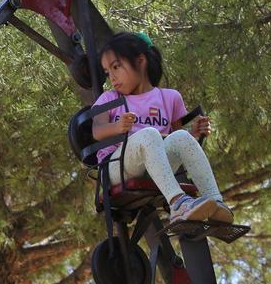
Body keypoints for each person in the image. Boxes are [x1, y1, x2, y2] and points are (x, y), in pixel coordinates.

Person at [90, 32, 233, 225]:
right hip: (118, 167)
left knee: (181, 136)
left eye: (116, 67)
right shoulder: (111, 98)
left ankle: (215, 202)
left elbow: (173, 139)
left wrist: (193, 134)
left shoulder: (170, 98)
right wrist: (117, 126)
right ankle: (178, 204)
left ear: (141, 62)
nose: (112, 77)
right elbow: (96, 131)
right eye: (108, 72)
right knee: (149, 134)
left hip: (157, 167)